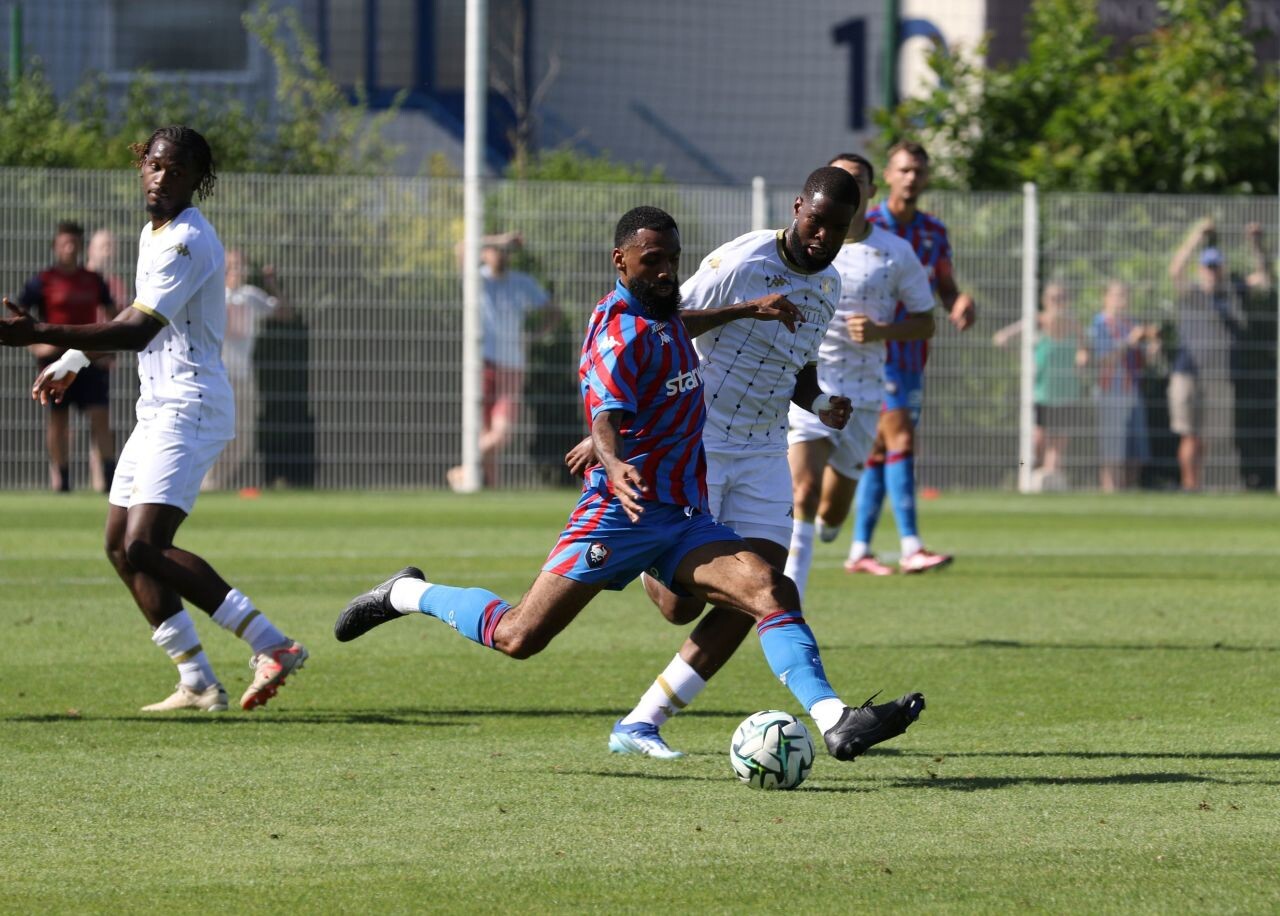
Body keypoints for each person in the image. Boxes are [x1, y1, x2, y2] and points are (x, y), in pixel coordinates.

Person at [336, 205, 925, 765]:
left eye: (671, 258)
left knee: (770, 588)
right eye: (652, 262)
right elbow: (606, 414)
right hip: (620, 513)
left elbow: (680, 322)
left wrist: (746, 311)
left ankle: (834, 719)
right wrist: (612, 460)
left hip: (681, 515)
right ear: (620, 261)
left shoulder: (662, 312)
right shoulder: (620, 336)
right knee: (517, 636)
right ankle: (405, 594)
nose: (666, 271)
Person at [0, 125, 308, 712]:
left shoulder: (188, 239)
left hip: (189, 406)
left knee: (145, 544)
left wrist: (39, 333)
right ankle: (196, 679)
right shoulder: (153, 233)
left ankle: (274, 645)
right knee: (119, 546)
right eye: (154, 165)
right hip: (157, 406)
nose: (161, 177)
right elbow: (134, 312)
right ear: (142, 168)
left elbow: (139, 330)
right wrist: (70, 356)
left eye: (177, 169)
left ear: (197, 180)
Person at [568, 165, 862, 759]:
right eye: (816, 221)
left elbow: (796, 369)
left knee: (765, 591)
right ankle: (657, 555)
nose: (822, 237)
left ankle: (643, 722)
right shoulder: (743, 260)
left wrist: (822, 400)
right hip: (695, 442)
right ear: (798, 205)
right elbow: (661, 322)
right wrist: (748, 308)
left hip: (763, 451)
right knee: (680, 608)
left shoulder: (829, 286)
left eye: (837, 228)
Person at [784, 153, 936, 596]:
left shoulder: (894, 251)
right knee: (804, 491)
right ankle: (788, 601)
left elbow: (926, 322)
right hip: (812, 383)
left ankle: (831, 528)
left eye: (857, 182)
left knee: (832, 511)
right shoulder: (800, 248)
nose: (847, 188)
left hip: (865, 394)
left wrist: (881, 331)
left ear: (870, 192)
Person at [837, 142, 975, 575]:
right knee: (900, 442)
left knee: (879, 450)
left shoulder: (933, 231)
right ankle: (911, 545)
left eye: (918, 170)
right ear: (888, 179)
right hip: (875, 355)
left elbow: (945, 286)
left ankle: (859, 549)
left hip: (914, 352)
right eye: (904, 170)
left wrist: (959, 301)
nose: (912, 177)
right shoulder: (867, 225)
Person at [1167, 218, 1272, 491]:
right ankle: (1190, 487)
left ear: (1222, 268)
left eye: (1216, 267)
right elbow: (1175, 270)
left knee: (1208, 437)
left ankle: (1199, 486)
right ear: (1201, 269)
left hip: (1219, 375)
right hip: (1188, 371)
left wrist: (1257, 245)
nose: (1212, 272)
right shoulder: (1191, 293)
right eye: (1208, 267)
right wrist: (1196, 236)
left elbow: (1264, 278)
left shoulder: (1232, 292)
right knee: (1189, 435)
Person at [448, 232, 559, 490]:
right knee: (483, 431)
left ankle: (464, 469)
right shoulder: (478, 280)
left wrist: (534, 336)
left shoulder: (522, 282)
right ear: (485, 251)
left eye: (504, 251)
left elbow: (553, 312)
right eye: (493, 250)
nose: (499, 255)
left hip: (512, 365)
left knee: (502, 434)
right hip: (482, 363)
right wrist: (498, 240)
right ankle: (487, 489)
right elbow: (461, 246)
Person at [18, 221, 118, 492]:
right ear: (55, 246)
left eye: (74, 242)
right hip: (55, 360)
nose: (69, 247)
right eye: (64, 242)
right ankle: (62, 481)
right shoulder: (43, 281)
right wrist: (37, 347)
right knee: (59, 419)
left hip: (88, 358)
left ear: (80, 246)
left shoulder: (93, 279)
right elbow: (18, 317)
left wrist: (109, 348)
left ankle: (110, 480)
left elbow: (114, 315)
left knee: (99, 415)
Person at [992, 283, 1087, 491]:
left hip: (1067, 393)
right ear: (1045, 300)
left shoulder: (1074, 326)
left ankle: (1051, 484)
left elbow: (1084, 351)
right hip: (1041, 393)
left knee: (1058, 444)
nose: (1058, 303)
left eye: (1062, 298)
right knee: (1036, 442)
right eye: (1054, 298)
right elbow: (1002, 338)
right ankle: (1024, 476)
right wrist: (1026, 359)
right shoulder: (1037, 322)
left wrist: (1081, 360)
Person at [206, 249, 285, 490]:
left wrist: (271, 284)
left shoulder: (251, 296)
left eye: (241, 265)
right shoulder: (213, 295)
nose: (237, 270)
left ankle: (215, 486)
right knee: (215, 434)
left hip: (243, 377)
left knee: (243, 438)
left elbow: (284, 312)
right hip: (218, 376)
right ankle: (206, 483)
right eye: (231, 265)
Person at [1085, 281, 1157, 492]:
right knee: (1111, 449)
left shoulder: (1130, 324)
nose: (1122, 299)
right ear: (1105, 297)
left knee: (1136, 449)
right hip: (1110, 392)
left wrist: (1152, 349)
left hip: (1132, 391)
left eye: (1125, 294)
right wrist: (1129, 342)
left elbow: (1142, 361)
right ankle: (1110, 491)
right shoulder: (1099, 324)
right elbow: (1103, 360)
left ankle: (1129, 492)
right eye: (1117, 295)